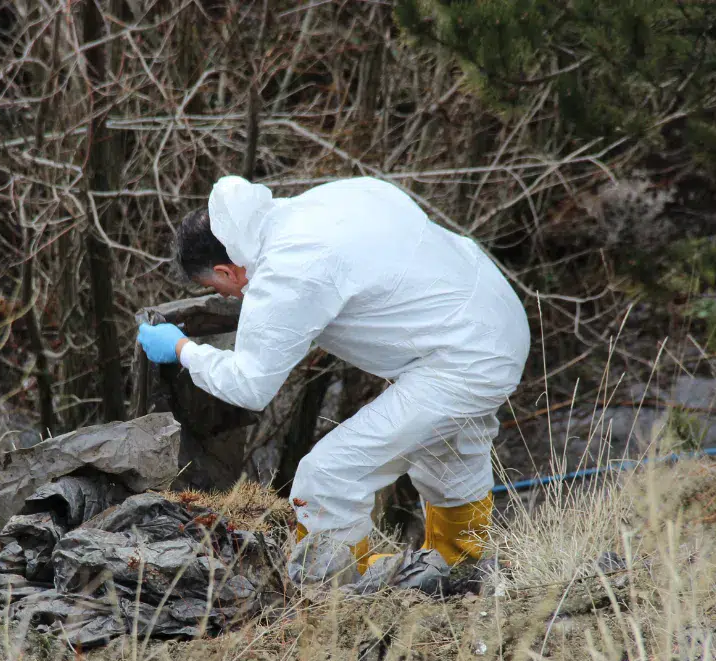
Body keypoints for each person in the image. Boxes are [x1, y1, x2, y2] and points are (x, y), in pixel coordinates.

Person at [137, 175, 530, 573]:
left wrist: (183, 350)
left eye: (218, 288)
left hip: (464, 356)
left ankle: (333, 591)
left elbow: (250, 385)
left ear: (226, 270)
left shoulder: (287, 272)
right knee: (449, 454)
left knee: (327, 477)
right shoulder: (312, 208)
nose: (226, 296)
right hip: (493, 314)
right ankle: (461, 569)